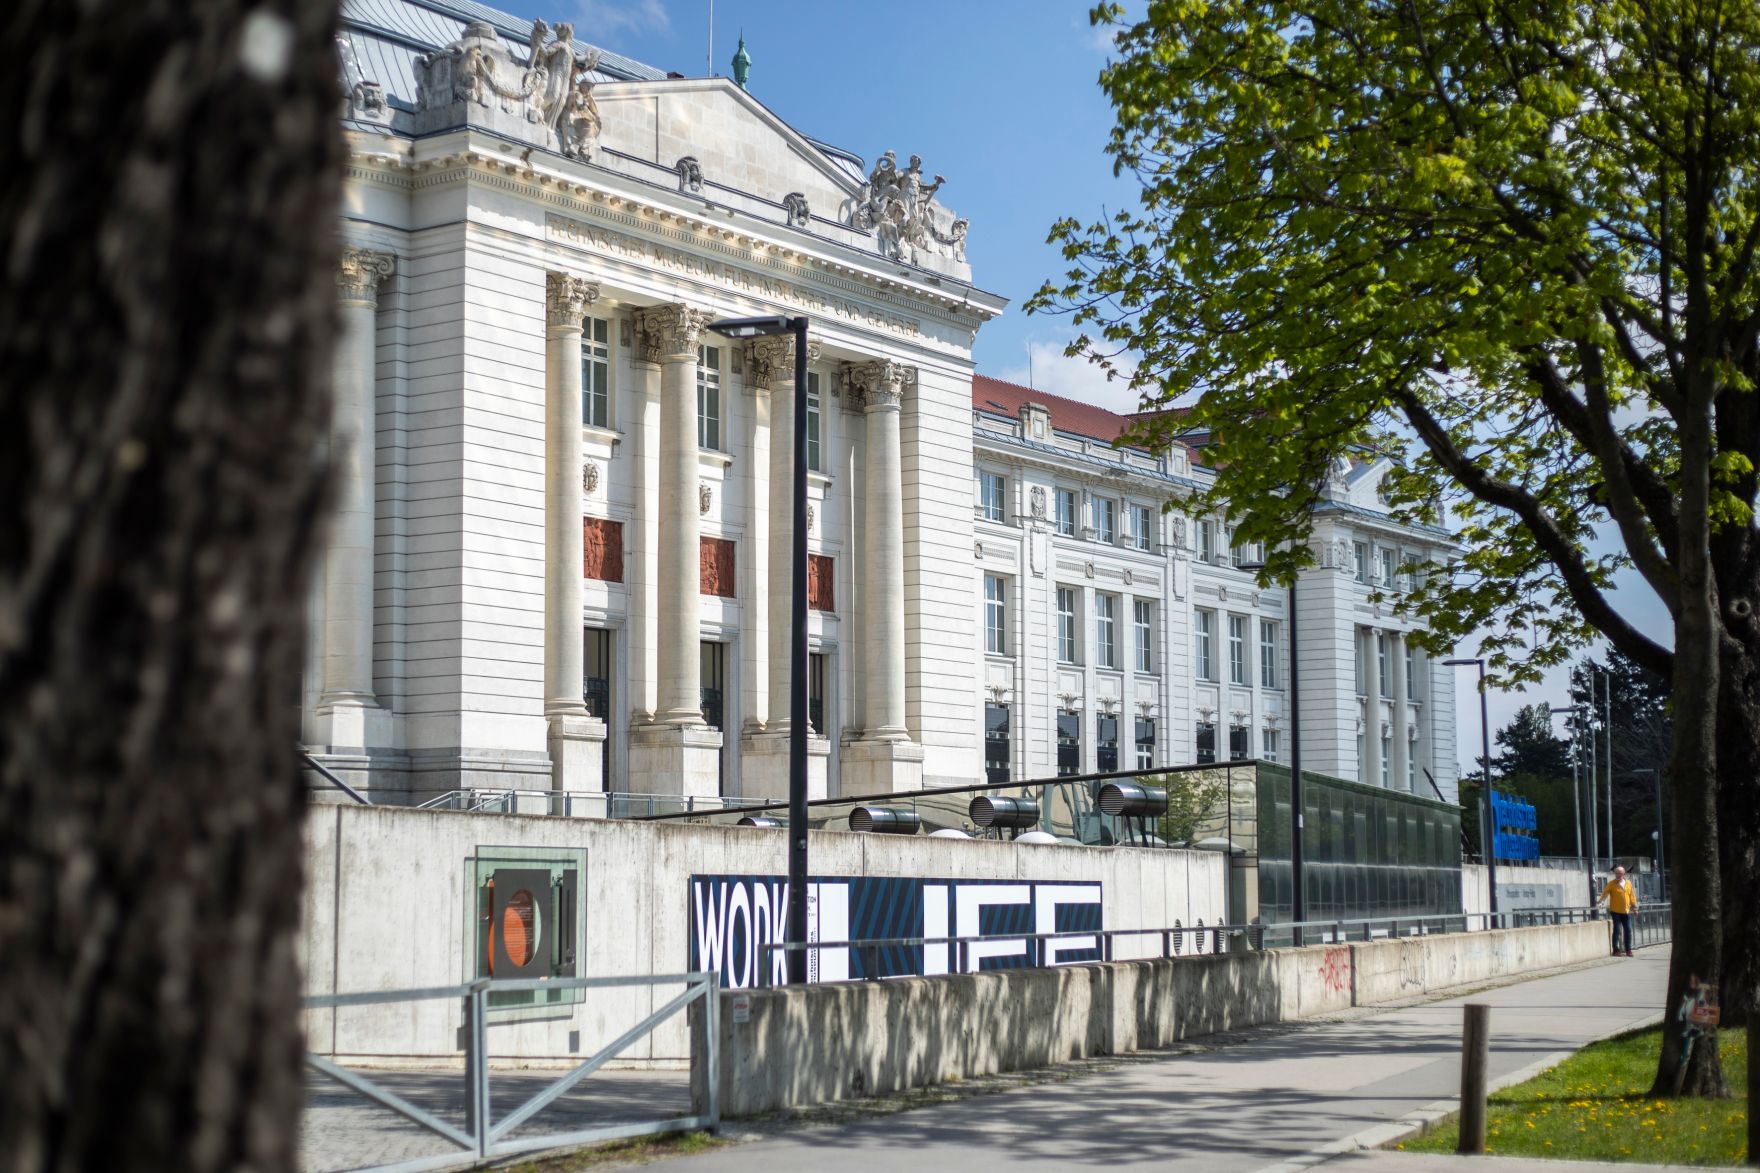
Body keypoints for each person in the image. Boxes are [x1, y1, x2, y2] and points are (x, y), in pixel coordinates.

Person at [1599, 865, 1638, 956]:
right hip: (1616, 911)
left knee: (1628, 930)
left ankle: (1628, 949)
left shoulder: (1628, 883)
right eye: (1616, 873)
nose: (1618, 875)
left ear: (1624, 873)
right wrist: (1601, 902)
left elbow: (1632, 896)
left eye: (1620, 873)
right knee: (1617, 929)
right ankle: (1616, 950)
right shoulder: (1612, 883)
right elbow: (1605, 893)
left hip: (1626, 910)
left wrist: (1635, 908)